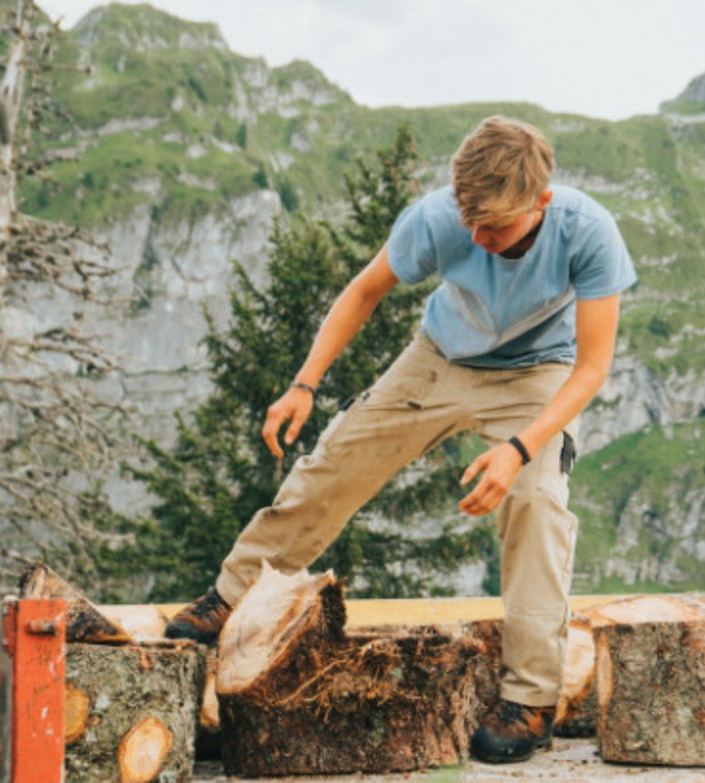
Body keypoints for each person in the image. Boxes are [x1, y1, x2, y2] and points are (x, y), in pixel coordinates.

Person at [164, 116, 637, 763]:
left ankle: (530, 699)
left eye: (493, 228)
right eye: (468, 221)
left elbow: (591, 368)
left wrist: (521, 448)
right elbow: (365, 291)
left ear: (540, 203)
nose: (475, 237)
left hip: (539, 374)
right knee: (338, 459)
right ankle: (229, 595)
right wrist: (304, 383)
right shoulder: (440, 218)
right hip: (440, 355)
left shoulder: (590, 234)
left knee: (537, 501)